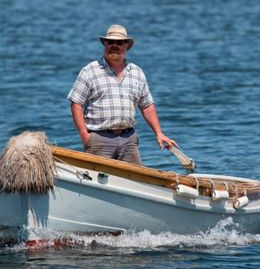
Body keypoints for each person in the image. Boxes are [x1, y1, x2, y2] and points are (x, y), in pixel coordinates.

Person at [67, 24, 177, 165]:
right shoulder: (89, 71)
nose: (115, 45)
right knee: (97, 182)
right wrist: (84, 135)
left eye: (119, 42)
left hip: (128, 140)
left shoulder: (137, 72)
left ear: (126, 45)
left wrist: (159, 133)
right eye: (111, 42)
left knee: (136, 182)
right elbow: (76, 103)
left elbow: (147, 106)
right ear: (105, 43)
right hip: (99, 139)